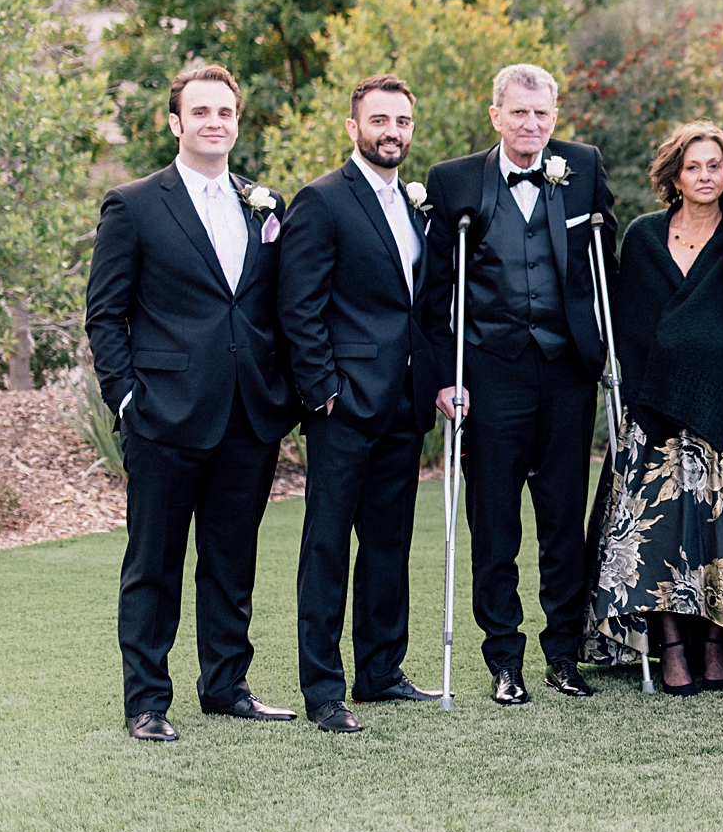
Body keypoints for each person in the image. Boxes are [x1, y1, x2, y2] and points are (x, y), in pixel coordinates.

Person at [84, 64, 300, 742]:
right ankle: (146, 701)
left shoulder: (264, 204)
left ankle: (226, 685)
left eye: (225, 111)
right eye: (200, 111)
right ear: (176, 123)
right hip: (164, 414)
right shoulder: (135, 204)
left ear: (237, 121)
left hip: (248, 414)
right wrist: (124, 398)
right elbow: (105, 313)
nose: (215, 121)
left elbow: (274, 307)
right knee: (153, 563)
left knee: (232, 559)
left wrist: (282, 392)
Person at [420, 64, 614, 707]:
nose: (533, 126)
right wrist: (446, 378)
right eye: (521, 114)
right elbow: (435, 292)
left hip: (566, 374)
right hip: (489, 372)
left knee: (563, 521)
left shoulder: (582, 165)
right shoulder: (453, 182)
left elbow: (603, 264)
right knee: (494, 522)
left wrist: (608, 352)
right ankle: (505, 660)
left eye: (544, 114)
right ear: (496, 114)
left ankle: (564, 655)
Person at [582, 122, 723, 696]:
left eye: (715, 166)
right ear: (674, 174)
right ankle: (670, 646)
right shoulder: (643, 237)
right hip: (654, 413)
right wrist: (644, 401)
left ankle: (717, 642)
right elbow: (629, 325)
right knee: (661, 536)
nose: (705, 176)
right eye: (694, 166)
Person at [278, 74, 441, 734]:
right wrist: (323, 392)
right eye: (379, 120)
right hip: (343, 407)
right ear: (353, 127)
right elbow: (300, 306)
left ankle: (380, 671)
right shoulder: (321, 201)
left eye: (402, 121)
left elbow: (417, 304)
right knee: (326, 547)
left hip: (403, 405)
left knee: (388, 544)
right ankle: (324, 690)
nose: (392, 132)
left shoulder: (412, 204)